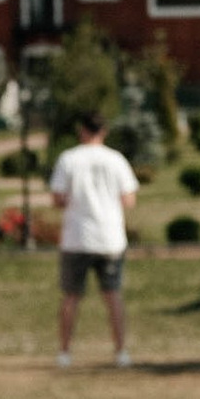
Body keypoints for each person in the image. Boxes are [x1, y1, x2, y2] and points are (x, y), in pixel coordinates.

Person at [49, 106, 139, 368]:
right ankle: (120, 351)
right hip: (109, 237)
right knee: (113, 296)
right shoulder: (116, 160)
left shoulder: (69, 159)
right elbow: (129, 198)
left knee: (71, 297)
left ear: (82, 130)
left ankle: (65, 352)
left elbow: (57, 197)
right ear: (104, 131)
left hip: (77, 237)